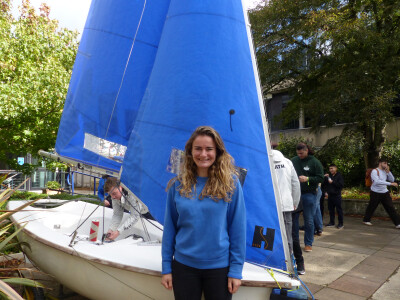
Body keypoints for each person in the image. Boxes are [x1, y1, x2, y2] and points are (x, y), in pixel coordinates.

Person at [161, 126, 246, 300]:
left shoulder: (231, 184)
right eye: (198, 149)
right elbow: (170, 228)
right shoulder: (177, 185)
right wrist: (166, 267)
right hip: (184, 267)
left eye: (209, 149)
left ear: (217, 152)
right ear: (190, 152)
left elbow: (237, 228)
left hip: (219, 269)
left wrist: (236, 270)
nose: (203, 154)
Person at [271, 148, 302, 273]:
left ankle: (271, 263)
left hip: (270, 206)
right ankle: (288, 265)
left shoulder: (266, 161)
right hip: (286, 205)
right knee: (287, 236)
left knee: (269, 234)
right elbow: (296, 183)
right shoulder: (287, 162)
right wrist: (295, 202)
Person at [291, 143, 324, 253]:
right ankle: (294, 243)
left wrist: (308, 179)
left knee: (309, 219)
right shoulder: (293, 161)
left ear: (306, 151)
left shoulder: (314, 162)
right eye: (298, 153)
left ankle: (308, 243)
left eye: (301, 153)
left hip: (309, 193)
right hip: (295, 193)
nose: (299, 155)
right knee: (293, 219)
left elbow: (320, 178)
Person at [363, 158, 400, 229]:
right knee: (372, 206)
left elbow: (392, 179)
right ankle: (366, 220)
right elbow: (377, 182)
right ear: (380, 163)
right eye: (384, 163)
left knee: (390, 207)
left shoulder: (385, 171)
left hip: (384, 192)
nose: (386, 165)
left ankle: (397, 223)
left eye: (386, 163)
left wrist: (388, 172)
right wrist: (390, 184)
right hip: (375, 192)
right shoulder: (374, 171)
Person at [324, 164, 344, 229]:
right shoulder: (329, 176)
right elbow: (326, 185)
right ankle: (332, 222)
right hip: (330, 195)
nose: (331, 170)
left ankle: (340, 223)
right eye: (330, 169)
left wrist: (332, 182)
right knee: (331, 210)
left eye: (332, 168)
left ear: (336, 168)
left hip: (337, 195)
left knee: (339, 210)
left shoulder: (339, 175)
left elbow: (340, 185)